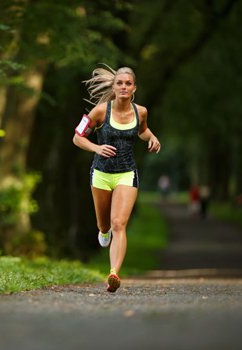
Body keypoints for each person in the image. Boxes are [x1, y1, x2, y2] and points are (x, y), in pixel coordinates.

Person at [72, 65, 161, 292]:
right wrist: (96, 148)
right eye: (119, 83)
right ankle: (103, 232)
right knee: (105, 225)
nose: (123, 87)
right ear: (114, 87)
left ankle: (113, 273)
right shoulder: (101, 111)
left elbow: (142, 130)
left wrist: (152, 138)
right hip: (101, 174)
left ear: (134, 88)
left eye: (128, 84)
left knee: (119, 224)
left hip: (126, 173)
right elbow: (77, 137)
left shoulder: (141, 111)